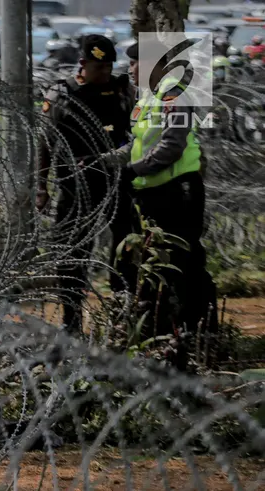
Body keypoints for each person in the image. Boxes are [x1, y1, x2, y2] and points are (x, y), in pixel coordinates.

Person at [98, 41, 219, 367]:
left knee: (183, 263)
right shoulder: (148, 97)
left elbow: (173, 146)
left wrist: (131, 171)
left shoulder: (174, 93)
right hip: (152, 193)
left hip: (176, 192)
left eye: (136, 63)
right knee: (159, 265)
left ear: (154, 64)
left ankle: (199, 337)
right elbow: (138, 143)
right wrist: (103, 162)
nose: (132, 69)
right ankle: (168, 337)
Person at [37, 35, 137, 334]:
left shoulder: (121, 90)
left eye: (108, 66)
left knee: (124, 248)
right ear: (83, 64)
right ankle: (72, 320)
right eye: (98, 67)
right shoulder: (62, 94)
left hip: (116, 180)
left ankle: (122, 314)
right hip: (75, 185)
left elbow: (135, 129)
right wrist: (41, 187)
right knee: (72, 253)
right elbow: (45, 142)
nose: (104, 73)